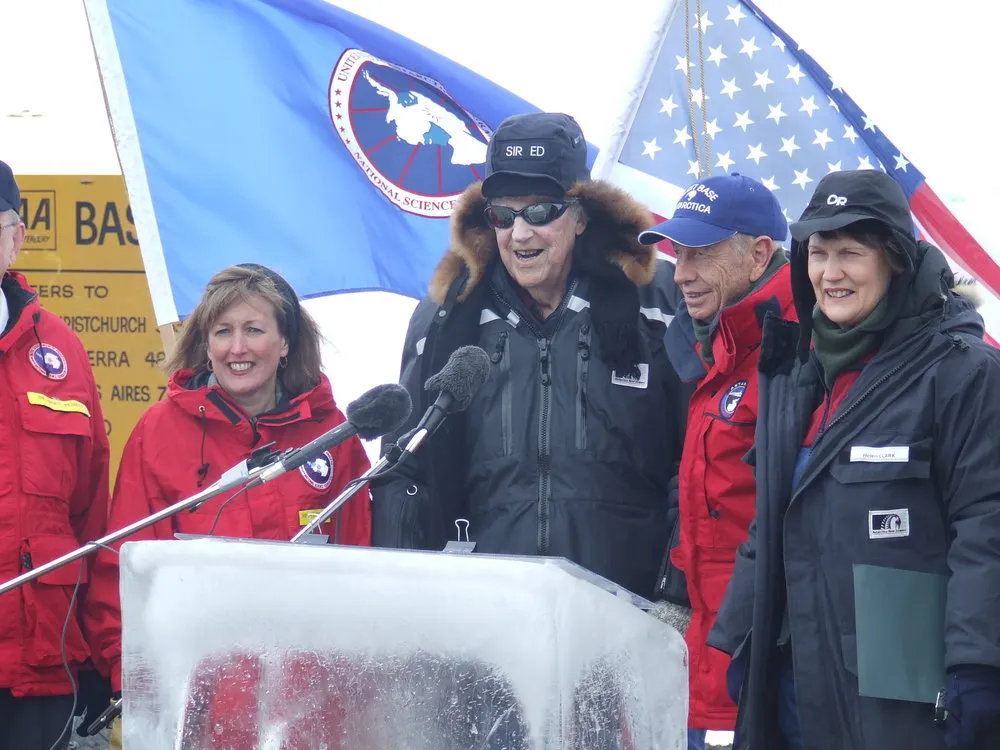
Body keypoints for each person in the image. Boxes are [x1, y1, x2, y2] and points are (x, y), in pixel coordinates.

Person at [708, 169, 1000, 750]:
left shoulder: (962, 371)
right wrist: (744, 637)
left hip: (906, 688)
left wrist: (979, 664)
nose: (830, 273)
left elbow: (986, 523)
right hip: (793, 677)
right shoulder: (797, 371)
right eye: (818, 253)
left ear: (895, 260)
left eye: (851, 253)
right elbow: (770, 518)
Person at [371, 112, 688, 603]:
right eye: (503, 215)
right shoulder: (445, 315)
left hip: (628, 615)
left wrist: (677, 595)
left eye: (540, 212)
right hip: (483, 616)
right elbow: (403, 470)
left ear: (581, 215)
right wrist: (405, 602)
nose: (520, 234)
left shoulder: (659, 301)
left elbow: (700, 469)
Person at [83, 264, 373, 748]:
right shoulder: (159, 433)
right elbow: (122, 574)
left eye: (254, 330)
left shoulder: (333, 436)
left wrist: (355, 692)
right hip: (195, 712)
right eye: (223, 332)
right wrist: (131, 684)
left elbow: (365, 569)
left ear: (285, 343)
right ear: (206, 343)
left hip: (311, 713)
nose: (237, 348)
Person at [638, 173, 793, 750]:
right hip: (712, 660)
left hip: (771, 669)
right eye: (678, 254)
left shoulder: (799, 354)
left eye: (699, 254)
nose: (679, 274)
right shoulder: (717, 355)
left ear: (758, 254)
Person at [0, 159, 111, 749]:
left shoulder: (61, 348)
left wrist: (95, 652)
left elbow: (91, 515)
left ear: (16, 239)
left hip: (41, 663)